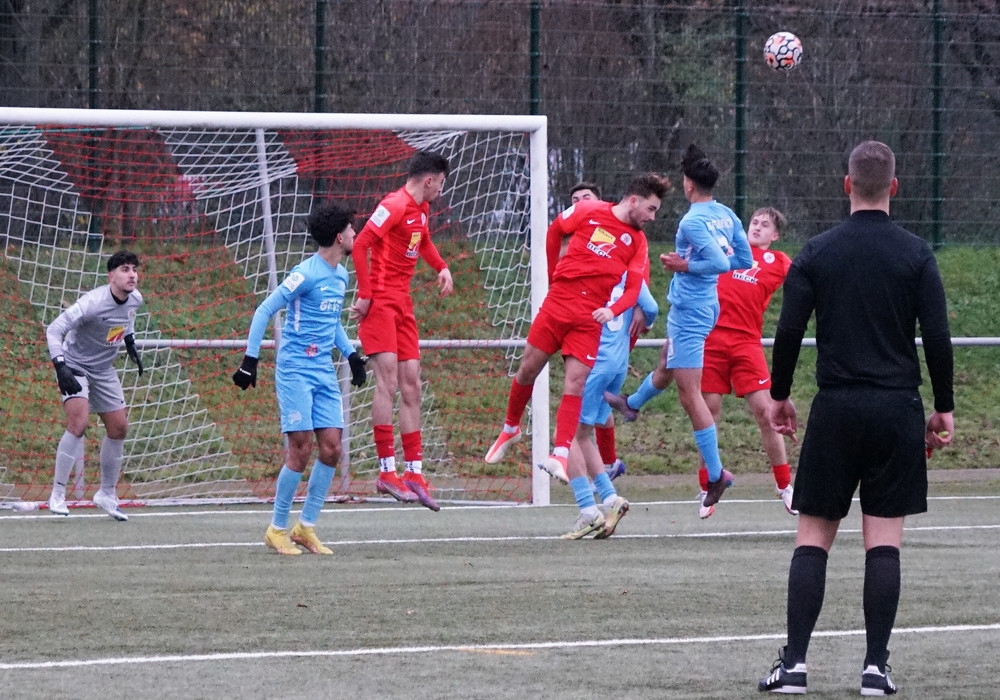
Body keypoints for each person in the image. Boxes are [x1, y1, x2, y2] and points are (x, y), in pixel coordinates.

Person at [757, 141, 954, 696]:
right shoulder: (916, 254)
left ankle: (794, 666)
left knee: (813, 538)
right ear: (894, 187)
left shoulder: (817, 252)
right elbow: (937, 336)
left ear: (847, 185)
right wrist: (944, 406)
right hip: (896, 410)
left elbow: (789, 331)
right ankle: (875, 668)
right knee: (883, 541)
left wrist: (779, 395)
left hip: (837, 409)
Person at [484, 172, 668, 532]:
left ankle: (581, 493)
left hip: (592, 328)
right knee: (532, 375)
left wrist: (613, 311)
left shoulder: (638, 243)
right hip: (563, 311)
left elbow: (637, 292)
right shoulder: (589, 213)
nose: (653, 217)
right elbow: (554, 232)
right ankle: (603, 493)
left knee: (577, 402)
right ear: (633, 200)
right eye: (651, 209)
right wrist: (554, 275)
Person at [605, 144, 752, 510]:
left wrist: (686, 266)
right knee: (667, 364)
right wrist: (701, 263)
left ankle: (716, 475)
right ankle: (631, 404)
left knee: (690, 395)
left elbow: (721, 263)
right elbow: (744, 259)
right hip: (706, 306)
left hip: (691, 311)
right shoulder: (727, 214)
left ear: (688, 184)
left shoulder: (692, 222)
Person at [233, 203, 368, 555]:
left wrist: (351, 355)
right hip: (295, 370)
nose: (355, 233)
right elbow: (265, 309)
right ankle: (276, 529)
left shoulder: (341, 276)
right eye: (351, 229)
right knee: (301, 447)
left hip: (323, 370)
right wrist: (250, 359)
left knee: (332, 448)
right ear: (339, 237)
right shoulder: (305, 274)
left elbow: (332, 322)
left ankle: (305, 527)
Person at [350, 150, 453, 512]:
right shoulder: (393, 205)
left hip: (403, 305)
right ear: (429, 180)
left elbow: (422, 241)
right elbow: (360, 244)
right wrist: (365, 294)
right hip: (380, 304)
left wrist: (441, 266)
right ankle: (386, 472)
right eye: (441, 184)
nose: (441, 191)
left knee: (412, 385)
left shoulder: (421, 209)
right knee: (388, 382)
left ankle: (413, 472)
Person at [695, 206, 795, 519]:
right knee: (707, 414)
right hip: (711, 339)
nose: (757, 227)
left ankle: (784, 485)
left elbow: (809, 281)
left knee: (767, 413)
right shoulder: (726, 248)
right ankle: (708, 485)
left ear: (775, 235)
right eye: (754, 222)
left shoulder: (778, 262)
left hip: (746, 343)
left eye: (765, 225)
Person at [45, 250, 144, 521]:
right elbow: (54, 329)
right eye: (125, 269)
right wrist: (60, 365)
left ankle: (106, 494)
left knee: (119, 427)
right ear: (111, 276)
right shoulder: (92, 303)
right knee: (79, 423)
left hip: (103, 369)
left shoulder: (135, 298)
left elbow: (127, 319)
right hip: (74, 364)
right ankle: (57, 493)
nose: (132, 275)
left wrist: (130, 342)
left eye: (134, 269)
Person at [561, 265, 658, 539]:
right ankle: (610, 499)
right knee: (583, 435)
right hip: (618, 364)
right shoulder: (628, 272)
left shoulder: (587, 269)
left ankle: (588, 511)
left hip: (595, 361)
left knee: (568, 435)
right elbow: (651, 307)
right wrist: (645, 321)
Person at [566, 181, 628, 482]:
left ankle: (595, 493)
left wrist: (635, 315)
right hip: (599, 349)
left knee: (574, 429)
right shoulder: (573, 242)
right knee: (596, 412)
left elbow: (642, 295)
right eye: (575, 200)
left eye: (586, 198)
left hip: (600, 349)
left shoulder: (612, 245)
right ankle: (610, 464)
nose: (580, 203)